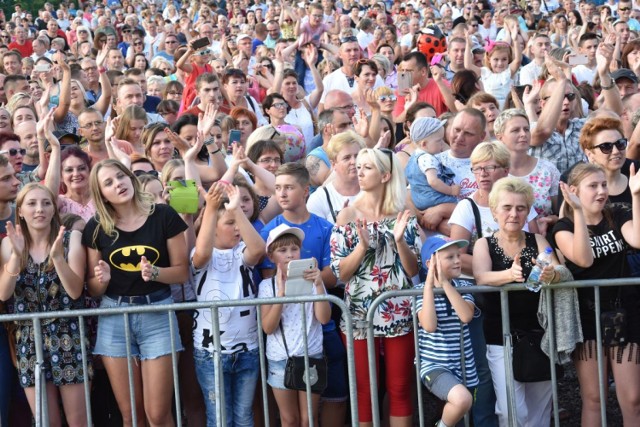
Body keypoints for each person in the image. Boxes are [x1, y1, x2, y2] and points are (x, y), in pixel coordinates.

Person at [82, 159, 188, 426]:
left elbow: (182, 272)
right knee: (131, 415)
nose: (118, 183)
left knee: (158, 414)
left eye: (121, 176)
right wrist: (102, 280)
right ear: (101, 193)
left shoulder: (163, 215)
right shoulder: (95, 227)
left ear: (130, 177)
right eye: (108, 182)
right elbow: (93, 290)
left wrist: (155, 273)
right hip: (114, 315)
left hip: (158, 313)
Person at [331, 148, 421, 425]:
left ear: (385, 175)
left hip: (398, 311)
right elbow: (340, 273)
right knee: (365, 391)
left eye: (367, 167)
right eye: (358, 166)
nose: (359, 172)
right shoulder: (347, 215)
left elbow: (413, 269)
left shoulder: (403, 214)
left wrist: (399, 241)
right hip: (358, 313)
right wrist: (362, 247)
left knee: (400, 388)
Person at [551, 163, 640, 427]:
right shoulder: (563, 227)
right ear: (574, 191)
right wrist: (578, 212)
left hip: (625, 311)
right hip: (587, 317)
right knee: (593, 398)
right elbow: (584, 260)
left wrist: (635, 195)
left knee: (634, 398)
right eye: (593, 186)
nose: (601, 191)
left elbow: (637, 239)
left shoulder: (617, 213)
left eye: (603, 185)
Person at [473, 177, 565, 427]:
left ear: (528, 211)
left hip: (540, 337)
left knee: (539, 411)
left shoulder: (539, 242)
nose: (514, 214)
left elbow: (559, 271)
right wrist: (509, 276)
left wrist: (551, 274)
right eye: (507, 207)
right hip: (501, 338)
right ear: (494, 211)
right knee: (512, 411)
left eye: (521, 208)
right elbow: (481, 275)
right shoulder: (484, 244)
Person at [0, 182, 89, 427]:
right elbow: (3, 294)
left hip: (68, 335)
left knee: (78, 421)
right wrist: (17, 258)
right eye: (32, 203)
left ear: (53, 209)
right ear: (20, 211)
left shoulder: (71, 239)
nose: (39, 209)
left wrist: (58, 258)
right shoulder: (9, 244)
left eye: (46, 203)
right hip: (29, 339)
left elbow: (74, 292)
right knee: (45, 421)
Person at [191, 182, 265, 426]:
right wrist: (211, 209)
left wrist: (237, 211)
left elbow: (258, 249)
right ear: (213, 229)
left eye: (237, 224)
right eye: (229, 224)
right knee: (219, 417)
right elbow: (201, 253)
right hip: (210, 353)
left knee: (244, 416)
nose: (236, 229)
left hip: (248, 350)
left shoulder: (242, 251)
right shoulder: (199, 255)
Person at [259, 224, 331, 426]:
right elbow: (268, 327)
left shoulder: (314, 281)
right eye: (282, 250)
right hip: (280, 358)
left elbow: (324, 318)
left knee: (308, 418)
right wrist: (280, 295)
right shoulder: (267, 286)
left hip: (311, 355)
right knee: (289, 419)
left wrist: (318, 285)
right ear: (271, 256)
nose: (290, 255)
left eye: (294, 249)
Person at [417, 235, 477, 427]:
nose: (458, 260)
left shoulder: (464, 286)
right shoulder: (418, 291)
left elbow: (466, 316)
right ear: (430, 263)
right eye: (449, 257)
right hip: (434, 366)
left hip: (465, 367)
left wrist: (444, 284)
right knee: (461, 400)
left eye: (458, 255)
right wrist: (429, 284)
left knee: (462, 415)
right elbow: (429, 325)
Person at [406, 117, 459, 232]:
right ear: (424, 144)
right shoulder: (428, 159)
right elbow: (433, 181)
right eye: (439, 141)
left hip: (419, 199)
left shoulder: (414, 157)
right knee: (461, 206)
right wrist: (451, 190)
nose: (442, 143)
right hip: (433, 198)